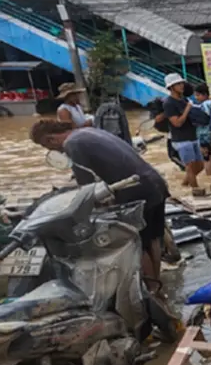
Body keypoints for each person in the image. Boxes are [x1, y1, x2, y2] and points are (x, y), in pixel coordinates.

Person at [29, 120, 170, 287]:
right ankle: (158, 285)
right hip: (154, 182)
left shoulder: (72, 144)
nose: (54, 151)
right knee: (152, 238)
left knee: (136, 243)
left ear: (50, 140)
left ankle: (151, 289)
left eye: (48, 148)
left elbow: (86, 189)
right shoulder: (89, 131)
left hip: (134, 191)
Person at [162, 73, 204, 189]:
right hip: (181, 140)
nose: (182, 86)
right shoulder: (168, 103)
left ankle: (184, 184)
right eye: (178, 84)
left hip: (192, 136)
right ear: (171, 87)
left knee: (200, 166)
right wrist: (187, 109)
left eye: (181, 83)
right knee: (190, 167)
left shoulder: (184, 99)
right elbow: (177, 123)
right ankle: (196, 190)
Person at [190, 83, 211, 177]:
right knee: (209, 156)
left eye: (198, 95)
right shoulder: (209, 103)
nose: (196, 97)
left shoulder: (206, 104)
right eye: (195, 95)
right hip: (209, 133)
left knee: (206, 157)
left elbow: (204, 117)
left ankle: (210, 177)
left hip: (204, 134)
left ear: (205, 95)